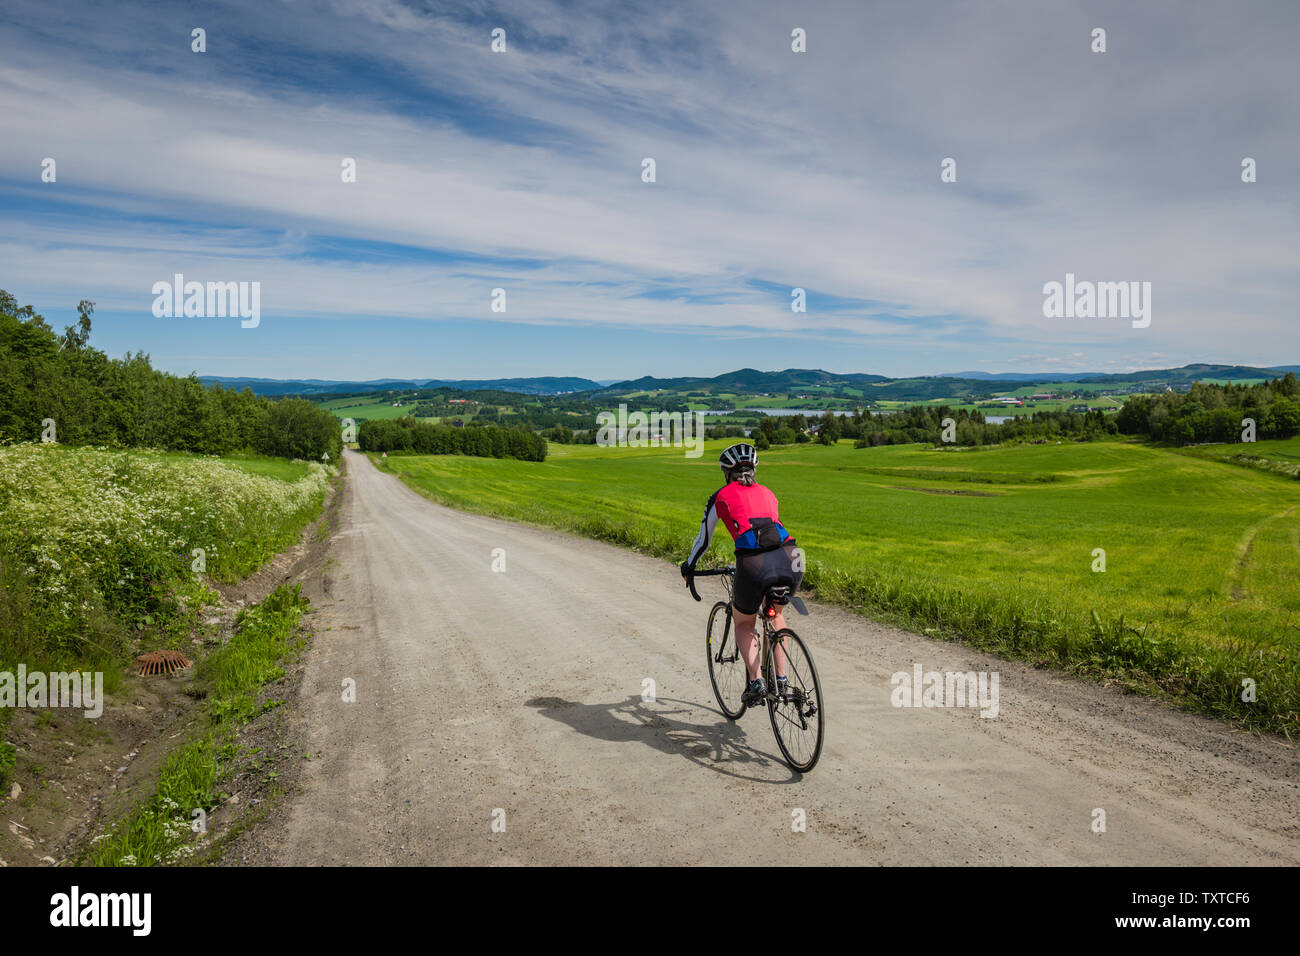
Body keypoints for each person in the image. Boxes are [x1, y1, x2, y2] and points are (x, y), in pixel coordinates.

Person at [681, 443, 802, 706]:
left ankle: (757, 681)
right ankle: (782, 681)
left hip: (754, 563)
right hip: (791, 557)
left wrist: (688, 566)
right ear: (753, 469)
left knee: (745, 622)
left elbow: (704, 540)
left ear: (726, 472)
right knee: (776, 615)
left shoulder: (720, 496)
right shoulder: (768, 493)